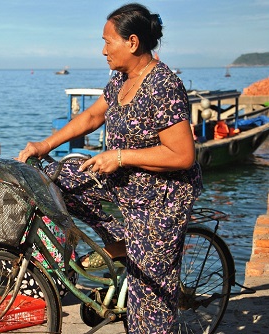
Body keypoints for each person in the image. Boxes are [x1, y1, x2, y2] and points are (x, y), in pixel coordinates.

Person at [18, 3, 202, 333]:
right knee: (59, 180)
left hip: (160, 203)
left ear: (132, 42)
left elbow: (182, 155)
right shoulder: (120, 79)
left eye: (107, 41)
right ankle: (122, 245)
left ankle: (137, 255)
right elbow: (90, 117)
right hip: (123, 189)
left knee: (148, 305)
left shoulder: (164, 86)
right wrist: (43, 146)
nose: (102, 50)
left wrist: (119, 156)